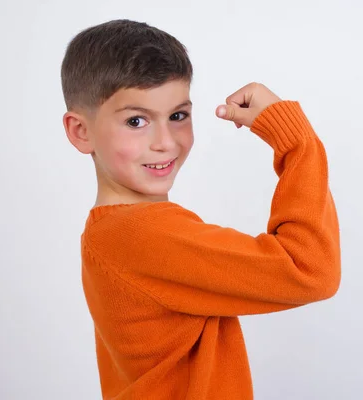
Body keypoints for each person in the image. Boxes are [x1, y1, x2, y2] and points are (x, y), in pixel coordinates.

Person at [61, 18, 341, 400]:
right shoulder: (142, 234)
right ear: (81, 131)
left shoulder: (109, 234)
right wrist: (298, 143)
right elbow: (310, 269)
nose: (165, 142)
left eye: (178, 116)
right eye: (136, 120)